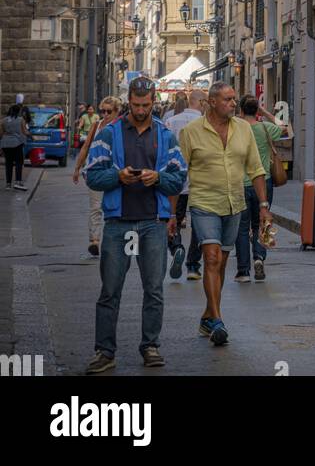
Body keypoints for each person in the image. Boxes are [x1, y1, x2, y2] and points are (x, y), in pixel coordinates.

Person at [83, 76, 187, 374]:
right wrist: (119, 177)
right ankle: (105, 351)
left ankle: (150, 346)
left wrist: (158, 179)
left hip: (152, 223)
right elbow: (93, 175)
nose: (141, 109)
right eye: (136, 104)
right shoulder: (109, 133)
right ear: (128, 100)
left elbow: (179, 177)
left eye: (146, 104)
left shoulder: (165, 135)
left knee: (154, 289)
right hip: (118, 223)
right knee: (110, 290)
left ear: (153, 101)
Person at [176, 82, 271, 346]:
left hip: (235, 204)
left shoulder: (243, 129)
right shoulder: (191, 132)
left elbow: (256, 169)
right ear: (212, 102)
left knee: (221, 264)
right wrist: (171, 213)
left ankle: (208, 315)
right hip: (204, 203)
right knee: (211, 257)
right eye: (228, 99)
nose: (234, 103)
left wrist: (264, 207)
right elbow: (178, 172)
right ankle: (218, 321)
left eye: (235, 99)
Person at [234, 95, 286, 282]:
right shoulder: (266, 128)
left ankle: (242, 271)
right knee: (262, 223)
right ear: (256, 111)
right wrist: (265, 113)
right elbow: (286, 128)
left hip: (241, 183)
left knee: (241, 227)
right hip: (264, 182)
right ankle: (258, 257)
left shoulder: (237, 129)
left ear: (240, 110)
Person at [164, 90, 205, 280]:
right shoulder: (205, 124)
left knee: (172, 218)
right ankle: (193, 265)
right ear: (202, 103)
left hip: (175, 180)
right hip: (199, 180)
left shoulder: (171, 121)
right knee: (199, 223)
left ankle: (177, 246)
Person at [73, 96, 121, 255]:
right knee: (95, 207)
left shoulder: (121, 127)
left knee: (114, 207)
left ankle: (114, 241)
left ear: (117, 111)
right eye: (103, 111)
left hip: (116, 174)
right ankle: (94, 240)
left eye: (109, 111)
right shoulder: (97, 125)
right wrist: (77, 168)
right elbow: (85, 147)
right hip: (97, 172)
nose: (105, 114)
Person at [2, 103, 29, 191]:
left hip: (5, 144)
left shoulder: (3, 120)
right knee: (18, 163)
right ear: (18, 112)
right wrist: (31, 135)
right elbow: (25, 131)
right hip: (17, 143)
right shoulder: (21, 120)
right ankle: (18, 182)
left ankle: (8, 184)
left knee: (8, 164)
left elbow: (1, 133)